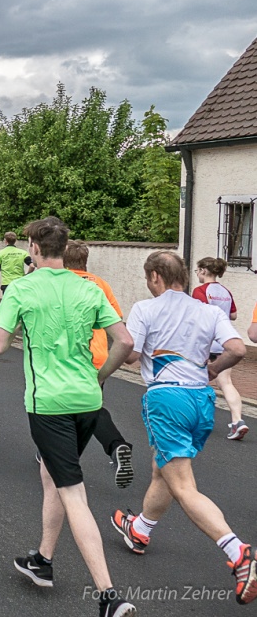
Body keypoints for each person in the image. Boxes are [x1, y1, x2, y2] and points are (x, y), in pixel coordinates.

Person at [0, 217, 135, 617]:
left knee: (73, 493)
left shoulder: (22, 288)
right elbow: (125, 340)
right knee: (52, 475)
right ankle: (42, 559)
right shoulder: (88, 288)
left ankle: (109, 596)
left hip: (49, 404)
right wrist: (101, 375)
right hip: (88, 399)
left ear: (33, 248)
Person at [112, 250, 257, 606]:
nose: (149, 284)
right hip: (202, 403)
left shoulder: (147, 308)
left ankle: (239, 552)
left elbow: (130, 354)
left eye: (149, 278)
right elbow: (237, 348)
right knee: (163, 468)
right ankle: (140, 530)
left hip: (168, 400)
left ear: (157, 277)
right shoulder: (207, 310)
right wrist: (211, 371)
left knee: (183, 485)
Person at [64, 240, 135, 487]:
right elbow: (116, 320)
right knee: (89, 407)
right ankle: (116, 447)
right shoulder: (100, 284)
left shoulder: (60, 283)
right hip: (98, 356)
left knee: (63, 408)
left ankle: (56, 453)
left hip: (69, 356)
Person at [192, 256, 247, 440]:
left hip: (206, 342)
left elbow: (197, 315)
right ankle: (238, 421)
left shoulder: (200, 291)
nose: (197, 273)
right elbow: (233, 315)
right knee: (226, 383)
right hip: (224, 342)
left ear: (204, 271)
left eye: (197, 270)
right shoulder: (225, 291)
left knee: (197, 381)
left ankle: (195, 420)